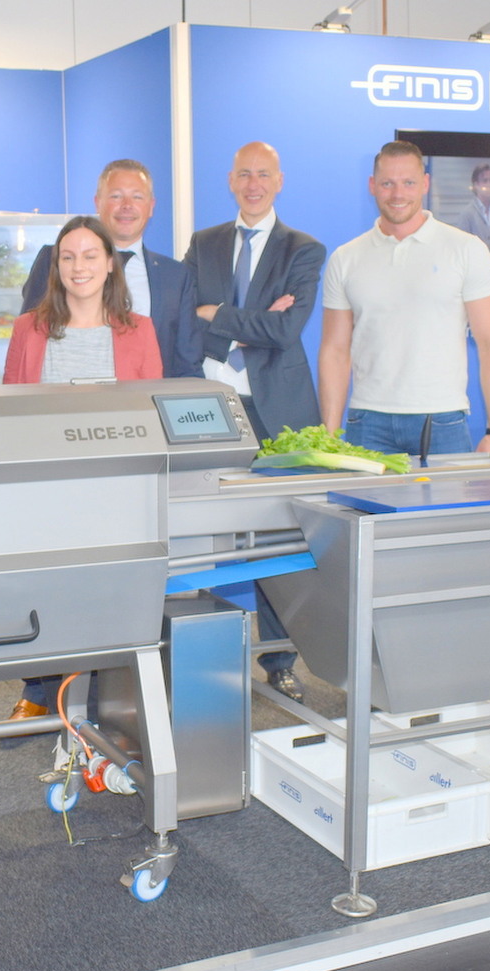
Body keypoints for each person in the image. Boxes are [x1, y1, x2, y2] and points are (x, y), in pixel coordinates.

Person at [2, 215, 161, 725]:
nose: (79, 266)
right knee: (48, 597)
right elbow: (9, 411)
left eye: (91, 255)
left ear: (110, 264)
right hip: (46, 491)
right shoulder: (29, 329)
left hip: (115, 493)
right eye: (68, 257)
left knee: (106, 599)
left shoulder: (139, 331)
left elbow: (150, 415)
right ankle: (48, 698)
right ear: (56, 266)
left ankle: (106, 706)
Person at [182, 141, 326, 703]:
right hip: (212, 405)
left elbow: (287, 332)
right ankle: (204, 659)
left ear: (279, 180)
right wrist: (249, 323)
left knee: (277, 537)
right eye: (244, 174)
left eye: (263, 174)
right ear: (230, 179)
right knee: (205, 527)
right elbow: (185, 321)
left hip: (277, 410)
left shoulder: (303, 249)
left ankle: (281, 659)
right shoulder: (205, 243)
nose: (253, 184)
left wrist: (219, 315)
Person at [319, 140, 490, 459]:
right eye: (387, 183)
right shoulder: (345, 258)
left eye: (408, 182)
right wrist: (328, 434)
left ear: (425, 183)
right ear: (372, 186)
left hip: (442, 421)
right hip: (367, 422)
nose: (398, 194)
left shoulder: (466, 249)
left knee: (449, 497)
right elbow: (335, 351)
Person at [20, 159, 202, 378]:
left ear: (151, 206)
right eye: (116, 196)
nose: (126, 205)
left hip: (145, 398)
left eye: (137, 197)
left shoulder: (175, 276)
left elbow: (187, 365)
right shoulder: (54, 259)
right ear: (97, 202)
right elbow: (27, 344)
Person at [456, 163, 490, 264]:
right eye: (485, 181)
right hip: (475, 271)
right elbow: (461, 249)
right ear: (476, 185)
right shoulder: (467, 214)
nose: (489, 184)